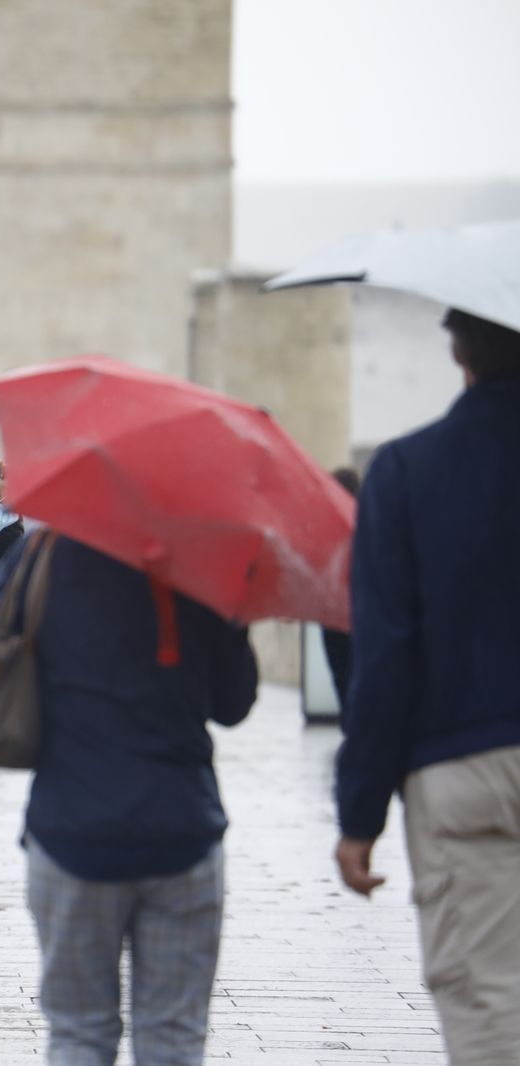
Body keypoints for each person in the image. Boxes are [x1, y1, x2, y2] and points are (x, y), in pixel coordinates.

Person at [0, 533, 257, 1065]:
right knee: (174, 1039)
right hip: (181, 828)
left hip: (72, 831)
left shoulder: (44, 549)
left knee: (79, 1036)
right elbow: (233, 702)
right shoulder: (202, 554)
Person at [333, 308, 520, 1064]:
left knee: (487, 998)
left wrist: (360, 811)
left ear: (458, 347)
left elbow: (386, 654)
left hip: (462, 760)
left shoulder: (409, 470)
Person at [320, 466, 361, 710]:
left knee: (342, 676)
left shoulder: (329, 525)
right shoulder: (368, 525)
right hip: (360, 616)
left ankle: (350, 725)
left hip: (332, 617)